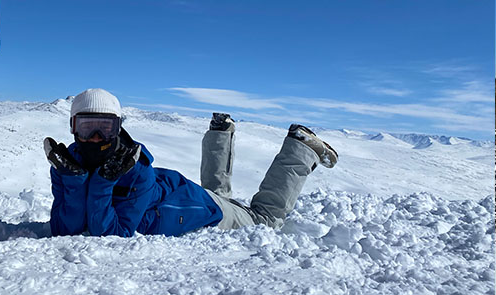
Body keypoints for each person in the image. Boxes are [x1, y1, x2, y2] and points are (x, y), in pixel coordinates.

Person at [44, 88, 338, 237]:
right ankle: (220, 132)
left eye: (105, 128)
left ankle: (301, 147)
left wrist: (102, 183)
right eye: (87, 128)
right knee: (220, 196)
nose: (95, 137)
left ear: (118, 128)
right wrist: (73, 180)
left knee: (265, 220)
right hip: (183, 197)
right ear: (73, 127)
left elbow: (111, 234)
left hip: (201, 209)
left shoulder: (135, 170)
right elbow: (66, 229)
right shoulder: (71, 165)